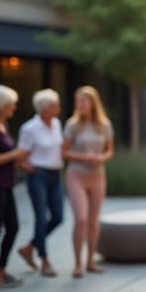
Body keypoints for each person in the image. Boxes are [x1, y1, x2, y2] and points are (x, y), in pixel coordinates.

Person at [62, 86, 114, 278]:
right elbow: (63, 151)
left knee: (93, 222)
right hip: (76, 175)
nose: (79, 105)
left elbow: (110, 150)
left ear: (92, 103)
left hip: (98, 176)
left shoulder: (105, 125)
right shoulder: (72, 125)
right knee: (81, 219)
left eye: (82, 101)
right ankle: (77, 263)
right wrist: (84, 157)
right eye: (77, 102)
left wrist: (101, 158)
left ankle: (90, 261)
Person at [0, 85, 30, 288]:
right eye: (12, 102)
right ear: (1, 105)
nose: (14, 106)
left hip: (6, 184)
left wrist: (20, 163)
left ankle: (1, 269)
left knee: (13, 227)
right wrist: (14, 154)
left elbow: (4, 157)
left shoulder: (4, 126)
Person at [17, 89, 64, 277]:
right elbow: (20, 156)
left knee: (58, 217)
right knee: (40, 217)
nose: (58, 108)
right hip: (39, 176)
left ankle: (29, 247)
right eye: (55, 105)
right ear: (44, 108)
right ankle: (44, 259)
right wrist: (31, 169)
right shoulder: (29, 128)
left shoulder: (57, 124)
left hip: (55, 175)